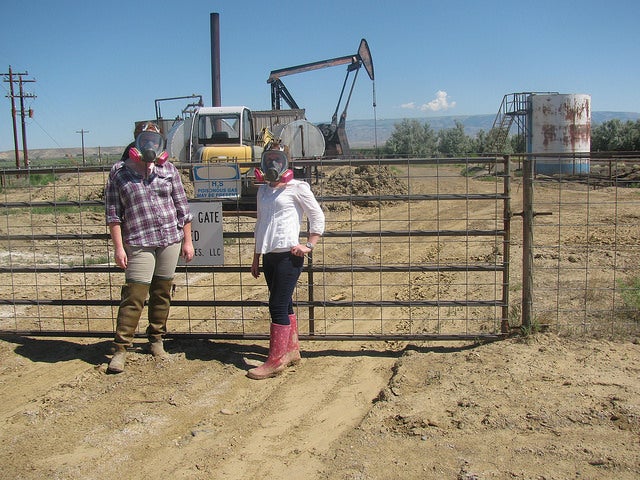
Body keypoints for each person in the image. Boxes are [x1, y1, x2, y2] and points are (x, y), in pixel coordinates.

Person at [105, 122, 194, 373]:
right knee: (134, 295)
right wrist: (119, 248)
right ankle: (121, 348)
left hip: (169, 239)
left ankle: (156, 339)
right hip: (138, 241)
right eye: (145, 140)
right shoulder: (119, 172)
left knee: (162, 292)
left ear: (160, 144)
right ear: (136, 142)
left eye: (155, 141)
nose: (150, 145)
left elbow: (183, 208)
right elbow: (113, 214)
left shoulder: (168, 170)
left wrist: (187, 241)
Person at [249, 147, 325, 380]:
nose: (272, 163)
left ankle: (275, 361)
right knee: (285, 304)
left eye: (277, 159)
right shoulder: (263, 190)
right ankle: (291, 351)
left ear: (286, 162)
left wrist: (309, 245)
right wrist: (256, 256)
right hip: (270, 255)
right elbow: (261, 222)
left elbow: (317, 215)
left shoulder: (298, 188)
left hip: (289, 256)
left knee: (277, 306)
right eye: (268, 159)